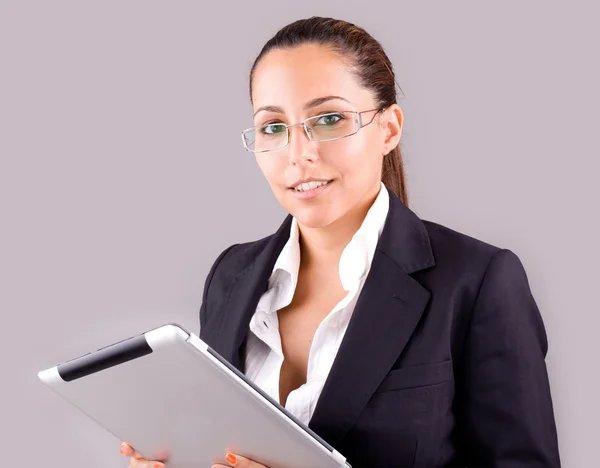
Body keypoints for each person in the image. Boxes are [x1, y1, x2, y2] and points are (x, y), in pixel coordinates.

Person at [119, 16, 561, 468]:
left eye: (328, 119)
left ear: (388, 129)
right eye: (273, 127)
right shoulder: (231, 276)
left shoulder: (477, 281)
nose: (298, 153)